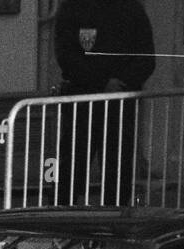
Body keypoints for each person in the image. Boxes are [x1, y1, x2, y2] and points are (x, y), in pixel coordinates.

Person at [54, 0, 156, 206]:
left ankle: (112, 224)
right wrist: (104, 83)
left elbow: (146, 58)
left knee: (117, 172)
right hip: (83, 104)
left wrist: (119, 84)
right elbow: (66, 55)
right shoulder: (73, 7)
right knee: (70, 169)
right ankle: (62, 220)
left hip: (116, 105)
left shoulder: (131, 8)